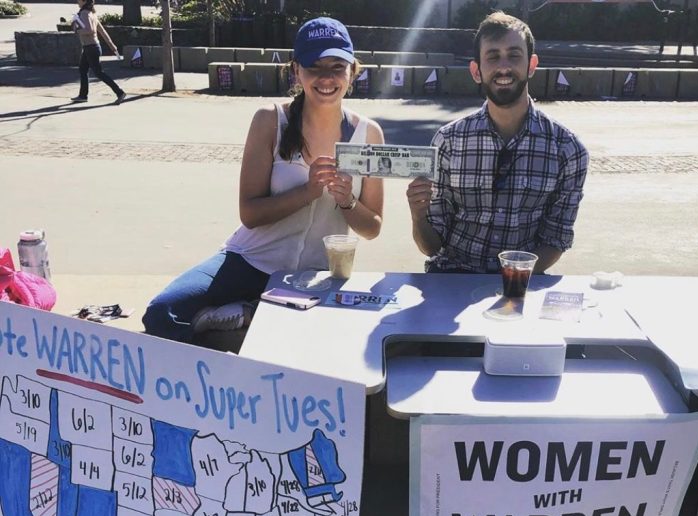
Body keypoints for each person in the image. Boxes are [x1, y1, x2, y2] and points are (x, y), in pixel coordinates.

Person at [142, 17, 385, 347]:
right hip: (250, 261)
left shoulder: (369, 133)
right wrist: (308, 192)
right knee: (162, 314)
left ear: (353, 71)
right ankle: (240, 319)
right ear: (296, 70)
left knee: (326, 346)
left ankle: (250, 313)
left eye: (337, 66)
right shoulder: (270, 120)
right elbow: (250, 214)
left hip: (314, 276)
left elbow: (372, 227)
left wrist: (347, 202)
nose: (326, 78)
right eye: (314, 67)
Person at [406, 11, 589, 275]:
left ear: (532, 64)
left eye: (514, 55)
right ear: (476, 71)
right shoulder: (448, 141)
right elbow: (432, 247)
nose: (504, 67)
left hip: (520, 283)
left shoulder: (568, 150)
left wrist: (506, 289)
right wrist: (417, 215)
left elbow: (554, 241)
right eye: (492, 57)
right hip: (452, 278)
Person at [71, 0, 126, 104]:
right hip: (92, 47)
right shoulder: (92, 13)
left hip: (91, 47)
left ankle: (119, 92)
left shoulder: (84, 13)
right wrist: (112, 46)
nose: (77, 1)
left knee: (99, 73)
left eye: (79, 0)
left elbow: (90, 30)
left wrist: (76, 29)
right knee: (83, 69)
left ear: (84, 1)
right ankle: (83, 95)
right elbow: (102, 31)